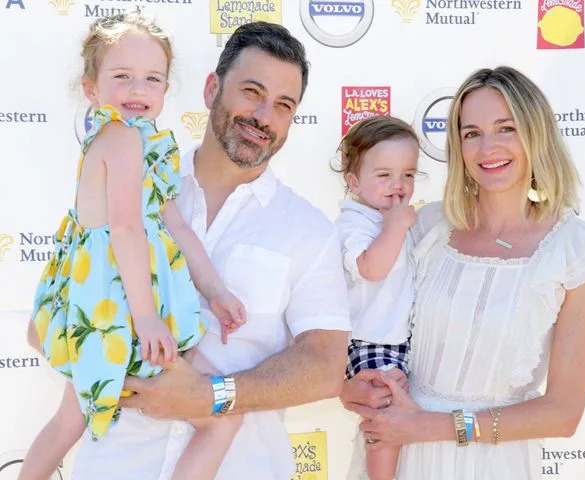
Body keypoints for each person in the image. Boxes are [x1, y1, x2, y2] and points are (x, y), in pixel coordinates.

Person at [71, 21, 351, 480]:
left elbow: (325, 366)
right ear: (211, 89)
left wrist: (213, 396)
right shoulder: (130, 181)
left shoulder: (309, 231)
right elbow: (56, 310)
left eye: (283, 105)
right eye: (252, 92)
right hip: (116, 466)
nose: (264, 116)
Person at [341, 66, 585, 479]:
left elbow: (562, 414)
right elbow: (361, 312)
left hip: (492, 463)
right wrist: (347, 387)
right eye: (471, 133)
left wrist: (431, 427)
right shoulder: (424, 226)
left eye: (506, 128)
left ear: (536, 132)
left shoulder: (579, 250)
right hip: (399, 452)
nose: (488, 148)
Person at [21, 12, 247, 480]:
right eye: (122, 76)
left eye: (152, 79)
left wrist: (216, 291)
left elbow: (175, 225)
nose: (137, 90)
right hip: (119, 311)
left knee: (69, 421)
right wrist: (145, 318)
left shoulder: (144, 143)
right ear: (91, 88)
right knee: (221, 420)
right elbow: (125, 228)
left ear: (166, 88)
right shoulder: (121, 138)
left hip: (110, 306)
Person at [334, 116, 419, 480]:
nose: (398, 186)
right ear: (354, 182)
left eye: (408, 175)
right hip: (371, 339)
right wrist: (395, 226)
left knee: (401, 416)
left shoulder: (394, 218)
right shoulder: (354, 223)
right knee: (384, 415)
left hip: (400, 339)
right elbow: (371, 268)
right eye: (384, 175)